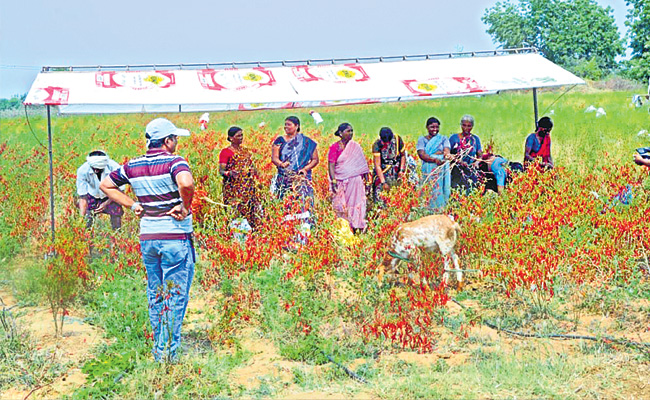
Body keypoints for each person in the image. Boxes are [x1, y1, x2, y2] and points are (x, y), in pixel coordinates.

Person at [100, 118, 195, 363]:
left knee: (156, 293)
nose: (176, 143)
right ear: (167, 141)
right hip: (175, 236)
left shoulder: (133, 165)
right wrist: (184, 206)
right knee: (175, 295)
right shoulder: (175, 161)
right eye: (174, 139)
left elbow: (106, 184)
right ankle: (167, 355)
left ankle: (159, 347)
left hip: (149, 237)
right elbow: (186, 182)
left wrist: (133, 204)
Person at [328, 123, 370, 232]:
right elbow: (331, 164)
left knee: (356, 202)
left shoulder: (355, 146)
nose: (351, 133)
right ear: (341, 133)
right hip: (340, 180)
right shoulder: (334, 147)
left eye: (352, 131)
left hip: (355, 180)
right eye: (348, 131)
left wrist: (367, 180)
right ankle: (344, 229)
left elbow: (362, 165)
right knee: (342, 204)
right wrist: (333, 180)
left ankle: (357, 225)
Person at [219, 126, 261, 228]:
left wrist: (254, 172)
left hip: (248, 187)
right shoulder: (226, 152)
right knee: (235, 212)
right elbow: (221, 171)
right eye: (238, 136)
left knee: (250, 210)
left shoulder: (245, 151)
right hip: (233, 188)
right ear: (231, 138)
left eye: (242, 135)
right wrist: (230, 173)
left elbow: (252, 167)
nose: (241, 138)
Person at [271, 116, 319, 201]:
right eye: (285, 125)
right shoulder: (280, 140)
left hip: (301, 178)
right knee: (284, 202)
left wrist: (305, 169)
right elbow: (274, 158)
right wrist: (282, 164)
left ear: (297, 126)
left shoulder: (306, 141)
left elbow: (315, 159)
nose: (286, 127)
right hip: (284, 177)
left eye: (289, 124)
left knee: (302, 202)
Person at [76, 150, 123, 230]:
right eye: (94, 169)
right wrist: (81, 217)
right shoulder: (83, 171)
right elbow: (83, 196)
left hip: (111, 195)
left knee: (116, 216)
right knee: (87, 219)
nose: (95, 171)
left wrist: (105, 204)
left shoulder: (115, 168)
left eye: (98, 169)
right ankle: (86, 235)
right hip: (92, 195)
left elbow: (120, 191)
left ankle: (117, 234)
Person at [417, 117, 452, 210]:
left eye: (437, 127)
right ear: (427, 127)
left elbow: (446, 149)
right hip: (429, 168)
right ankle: (430, 209)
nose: (435, 129)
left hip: (442, 167)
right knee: (431, 188)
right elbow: (422, 154)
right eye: (432, 127)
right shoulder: (422, 140)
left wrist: (447, 155)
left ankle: (442, 208)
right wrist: (434, 160)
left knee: (442, 187)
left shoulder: (443, 138)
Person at [449, 114, 483, 192]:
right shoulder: (454, 138)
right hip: (456, 170)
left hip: (470, 170)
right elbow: (447, 153)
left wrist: (476, 163)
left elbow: (480, 156)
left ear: (472, 126)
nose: (466, 128)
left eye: (469, 126)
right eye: (464, 125)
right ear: (461, 125)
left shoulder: (475, 139)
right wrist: (457, 160)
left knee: (471, 190)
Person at [371, 127, 405, 202]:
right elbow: (378, 166)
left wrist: (401, 170)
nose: (386, 144)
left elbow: (403, 156)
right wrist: (383, 182)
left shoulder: (397, 140)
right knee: (381, 196)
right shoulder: (377, 145)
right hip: (383, 172)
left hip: (396, 170)